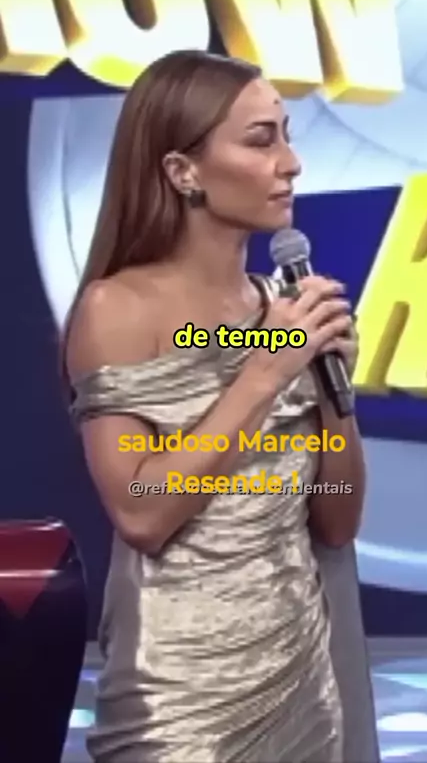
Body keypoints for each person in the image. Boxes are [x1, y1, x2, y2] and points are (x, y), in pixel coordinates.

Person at [63, 49, 366, 763]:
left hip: (302, 680)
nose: (290, 163)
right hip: (182, 700)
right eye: (261, 141)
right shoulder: (116, 310)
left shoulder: (279, 309)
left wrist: (334, 392)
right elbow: (143, 514)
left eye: (287, 136)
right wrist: (267, 371)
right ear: (182, 171)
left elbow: (338, 518)